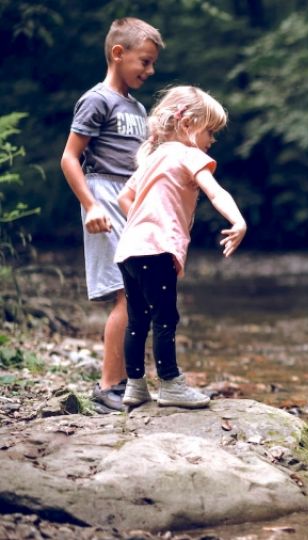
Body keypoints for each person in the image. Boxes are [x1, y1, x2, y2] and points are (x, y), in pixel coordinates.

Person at [115, 85, 247, 409]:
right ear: (188, 125)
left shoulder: (152, 157)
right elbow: (216, 193)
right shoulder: (189, 154)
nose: (212, 140)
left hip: (129, 248)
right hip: (157, 248)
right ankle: (170, 383)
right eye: (210, 131)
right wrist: (238, 221)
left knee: (137, 320)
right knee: (165, 317)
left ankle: (135, 386)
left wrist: (144, 221)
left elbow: (123, 198)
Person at [60, 18, 164, 411]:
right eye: (145, 61)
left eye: (152, 63)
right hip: (103, 196)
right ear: (118, 54)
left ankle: (126, 382)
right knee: (126, 293)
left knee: (140, 294)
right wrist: (91, 206)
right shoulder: (97, 100)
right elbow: (69, 158)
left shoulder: (137, 108)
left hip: (132, 200)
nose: (150, 71)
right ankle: (108, 386)